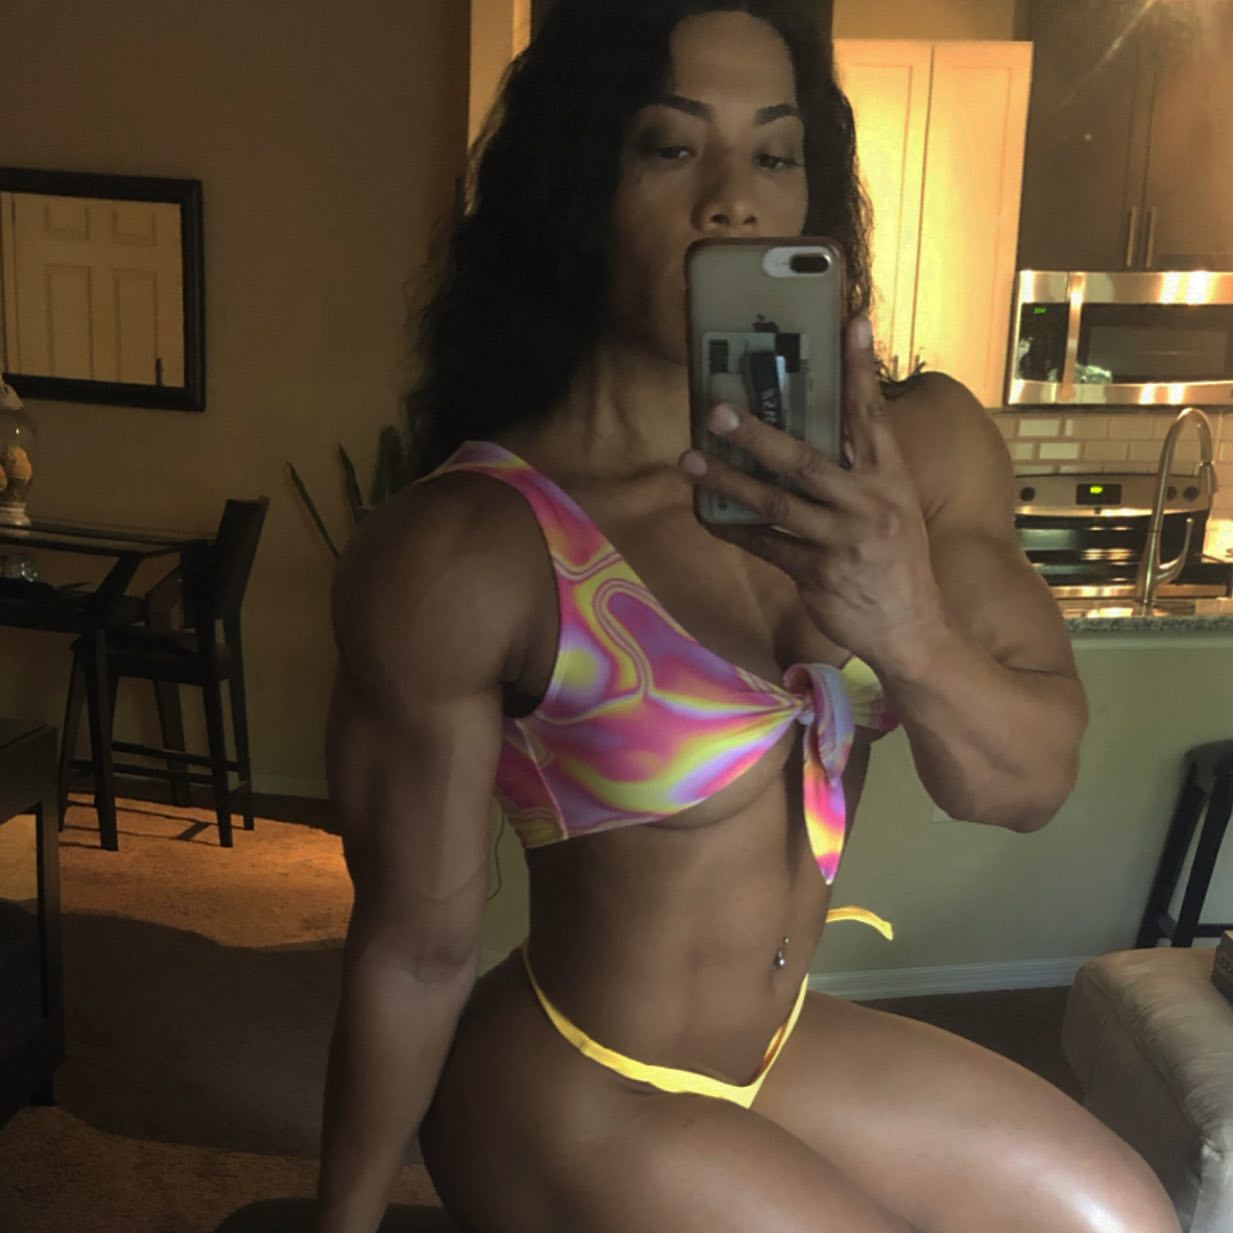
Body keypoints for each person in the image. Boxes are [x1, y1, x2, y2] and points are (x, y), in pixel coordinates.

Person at [315, 3, 1181, 1231]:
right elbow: (415, 952)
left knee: (1126, 1218)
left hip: (770, 1047)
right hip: (576, 1084)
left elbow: (1024, 786)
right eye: (671, 147)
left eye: (775, 154)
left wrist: (905, 621)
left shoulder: (921, 456)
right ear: (575, 185)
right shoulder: (475, 547)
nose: (733, 201)